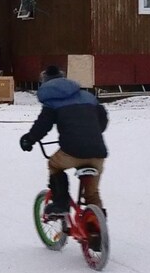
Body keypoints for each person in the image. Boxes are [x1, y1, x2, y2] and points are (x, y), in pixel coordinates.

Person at [19, 65, 109, 216]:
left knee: (54, 165)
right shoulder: (88, 96)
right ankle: (96, 228)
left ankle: (61, 204)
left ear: (45, 83)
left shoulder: (52, 101)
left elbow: (43, 125)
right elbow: (103, 121)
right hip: (98, 153)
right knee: (92, 194)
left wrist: (29, 139)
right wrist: (90, 133)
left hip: (72, 152)